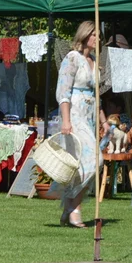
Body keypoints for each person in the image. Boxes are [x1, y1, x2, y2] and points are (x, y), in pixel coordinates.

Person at [54, 20, 105, 228]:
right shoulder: (72, 59)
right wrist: (66, 120)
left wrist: (104, 122)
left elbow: (97, 95)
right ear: (84, 35)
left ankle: (70, 206)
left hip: (90, 116)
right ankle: (74, 207)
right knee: (95, 160)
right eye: (94, 34)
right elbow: (63, 91)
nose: (97, 38)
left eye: (98, 35)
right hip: (74, 115)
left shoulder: (94, 60)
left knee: (84, 165)